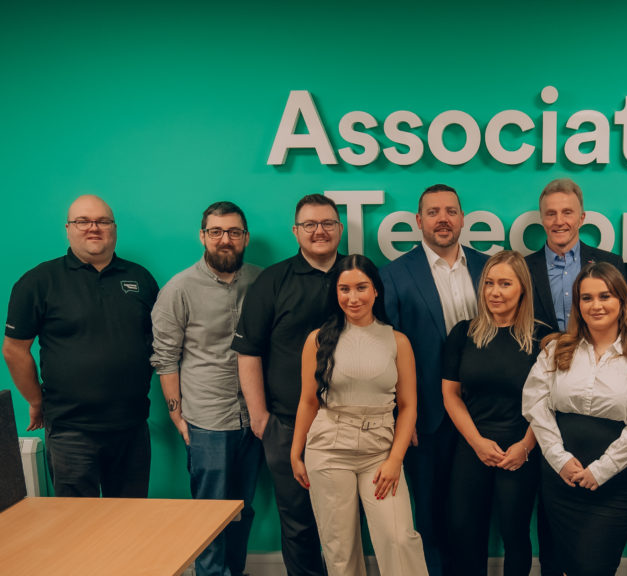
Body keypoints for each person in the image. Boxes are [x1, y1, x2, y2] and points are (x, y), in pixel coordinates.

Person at [3, 195, 158, 497]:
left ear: (114, 228)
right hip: (71, 430)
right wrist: (37, 402)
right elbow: (14, 349)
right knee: (76, 527)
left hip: (132, 427)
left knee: (131, 522)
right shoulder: (38, 281)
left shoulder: (140, 279)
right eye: (83, 221)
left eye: (102, 221)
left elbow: (158, 343)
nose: (93, 228)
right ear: (68, 229)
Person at [523, 262, 627, 576]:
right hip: (561, 477)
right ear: (577, 305)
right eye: (586, 298)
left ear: (622, 302)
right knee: (565, 564)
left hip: (615, 481)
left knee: (594, 566)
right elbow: (535, 404)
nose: (596, 305)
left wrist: (602, 469)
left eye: (605, 296)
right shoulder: (557, 349)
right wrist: (559, 459)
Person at [290, 255, 428, 576]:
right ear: (336, 293)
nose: (353, 298)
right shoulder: (317, 340)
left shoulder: (397, 341)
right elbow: (308, 402)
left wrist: (395, 460)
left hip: (379, 453)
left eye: (361, 288)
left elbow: (408, 407)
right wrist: (296, 452)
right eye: (345, 289)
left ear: (376, 291)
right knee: (339, 550)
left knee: (399, 539)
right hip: (327, 450)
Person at [232, 193, 345, 576]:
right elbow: (249, 352)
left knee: (347, 518)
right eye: (310, 224)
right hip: (286, 421)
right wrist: (260, 416)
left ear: (340, 229)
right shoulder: (272, 281)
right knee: (298, 520)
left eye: (328, 223)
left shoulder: (358, 275)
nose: (319, 231)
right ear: (295, 231)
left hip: (351, 420)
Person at [150, 201, 264, 576]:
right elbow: (165, 357)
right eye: (216, 232)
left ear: (245, 237)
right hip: (207, 420)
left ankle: (235, 571)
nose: (225, 240)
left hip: (255, 417)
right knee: (210, 512)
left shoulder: (262, 282)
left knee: (243, 509)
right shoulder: (179, 289)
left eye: (233, 232)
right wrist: (177, 415)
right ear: (203, 236)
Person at [380, 184, 488, 576]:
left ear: (462, 218)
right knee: (427, 515)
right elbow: (385, 351)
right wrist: (399, 419)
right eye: (433, 212)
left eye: (450, 211)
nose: (443, 219)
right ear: (418, 221)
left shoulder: (489, 268)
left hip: (481, 415)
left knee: (472, 516)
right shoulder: (393, 275)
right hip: (425, 417)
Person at [441, 250, 551, 576]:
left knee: (515, 534)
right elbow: (450, 394)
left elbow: (548, 402)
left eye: (505, 283)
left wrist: (525, 447)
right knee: (464, 531)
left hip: (520, 449)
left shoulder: (543, 338)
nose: (495, 291)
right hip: (471, 446)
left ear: (522, 289)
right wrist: (476, 442)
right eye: (489, 283)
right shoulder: (464, 333)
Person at [525, 178, 626, 331]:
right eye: (551, 214)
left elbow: (625, 319)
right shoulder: (523, 268)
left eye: (567, 213)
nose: (559, 221)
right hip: (539, 353)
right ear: (542, 219)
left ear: (581, 219)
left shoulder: (612, 263)